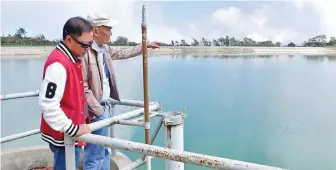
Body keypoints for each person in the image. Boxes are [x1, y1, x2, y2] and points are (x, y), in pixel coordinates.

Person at [82, 12, 160, 170]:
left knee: (105, 150)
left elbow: (123, 52)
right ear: (96, 31)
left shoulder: (104, 49)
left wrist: (145, 46)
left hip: (106, 106)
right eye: (108, 29)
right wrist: (98, 110)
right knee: (95, 154)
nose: (111, 33)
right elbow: (83, 87)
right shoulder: (85, 52)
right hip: (96, 109)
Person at [38, 16, 93, 170]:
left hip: (68, 133)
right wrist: (73, 129)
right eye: (84, 45)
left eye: (90, 44)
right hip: (64, 136)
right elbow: (48, 105)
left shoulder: (71, 58)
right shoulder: (58, 64)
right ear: (69, 40)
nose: (87, 49)